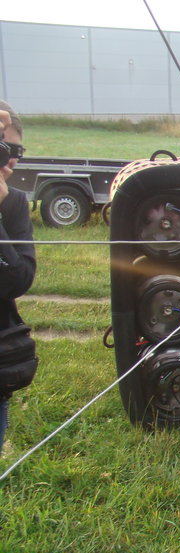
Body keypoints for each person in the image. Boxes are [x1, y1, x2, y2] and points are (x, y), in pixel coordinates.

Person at [0, 100, 36, 453]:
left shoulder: (13, 203)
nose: (9, 160)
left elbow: (19, 279)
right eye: (3, 149)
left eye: (16, 151)